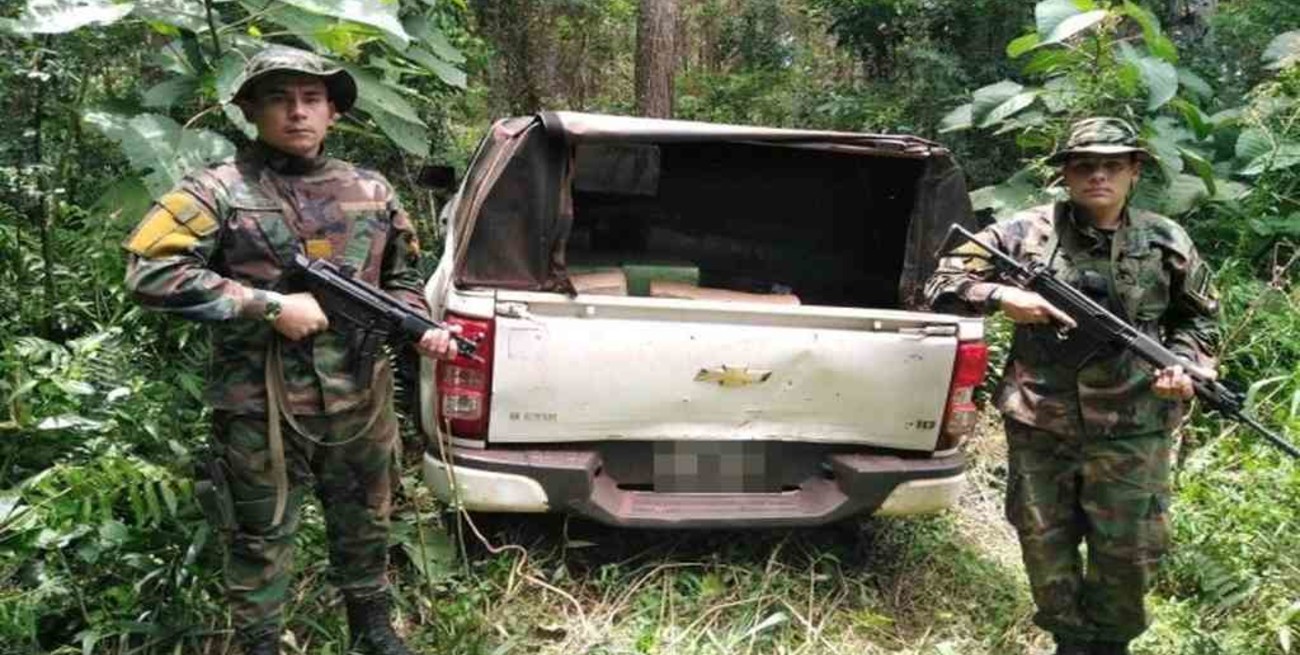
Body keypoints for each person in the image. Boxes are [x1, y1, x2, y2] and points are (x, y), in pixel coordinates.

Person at [122, 45, 456, 655]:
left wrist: (416, 323)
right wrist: (268, 306)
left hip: (358, 396)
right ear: (251, 110)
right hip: (259, 405)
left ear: (333, 112)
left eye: (311, 99)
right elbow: (150, 273)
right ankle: (258, 643)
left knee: (367, 519)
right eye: (279, 98)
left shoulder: (372, 190)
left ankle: (373, 629)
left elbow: (404, 279)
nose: (297, 113)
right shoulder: (216, 190)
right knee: (259, 533)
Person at [925, 117, 1221, 655]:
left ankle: (1109, 646)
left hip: (1135, 428)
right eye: (1085, 165)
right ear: (1065, 174)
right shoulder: (1024, 232)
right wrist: (1000, 296)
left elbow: (1199, 321)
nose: (1098, 176)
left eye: (1113, 164)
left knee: (1129, 557)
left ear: (1134, 171)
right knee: (1045, 550)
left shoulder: (1165, 240)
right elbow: (939, 280)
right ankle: (1068, 642)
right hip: (1042, 425)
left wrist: (1186, 366)